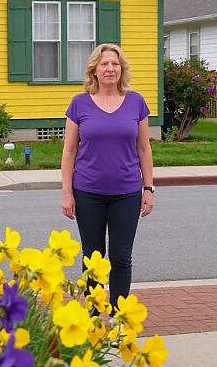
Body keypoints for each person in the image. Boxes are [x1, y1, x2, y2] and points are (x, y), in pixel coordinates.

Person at [61, 43, 154, 312]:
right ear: (95, 70)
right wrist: (67, 192)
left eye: (115, 64)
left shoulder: (136, 102)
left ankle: (118, 316)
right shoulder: (79, 103)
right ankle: (91, 315)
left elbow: (144, 148)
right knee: (93, 257)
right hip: (87, 192)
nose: (110, 68)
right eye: (104, 64)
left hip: (127, 191)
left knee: (122, 257)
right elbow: (69, 151)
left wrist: (148, 188)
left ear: (121, 69)